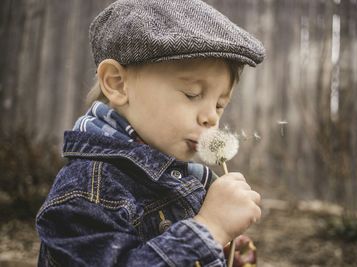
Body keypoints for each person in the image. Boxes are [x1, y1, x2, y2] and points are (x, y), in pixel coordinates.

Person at [36, 0, 265, 266]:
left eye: (219, 105)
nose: (211, 117)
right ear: (117, 83)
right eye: (192, 94)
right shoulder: (87, 191)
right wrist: (208, 228)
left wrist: (223, 250)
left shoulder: (185, 179)